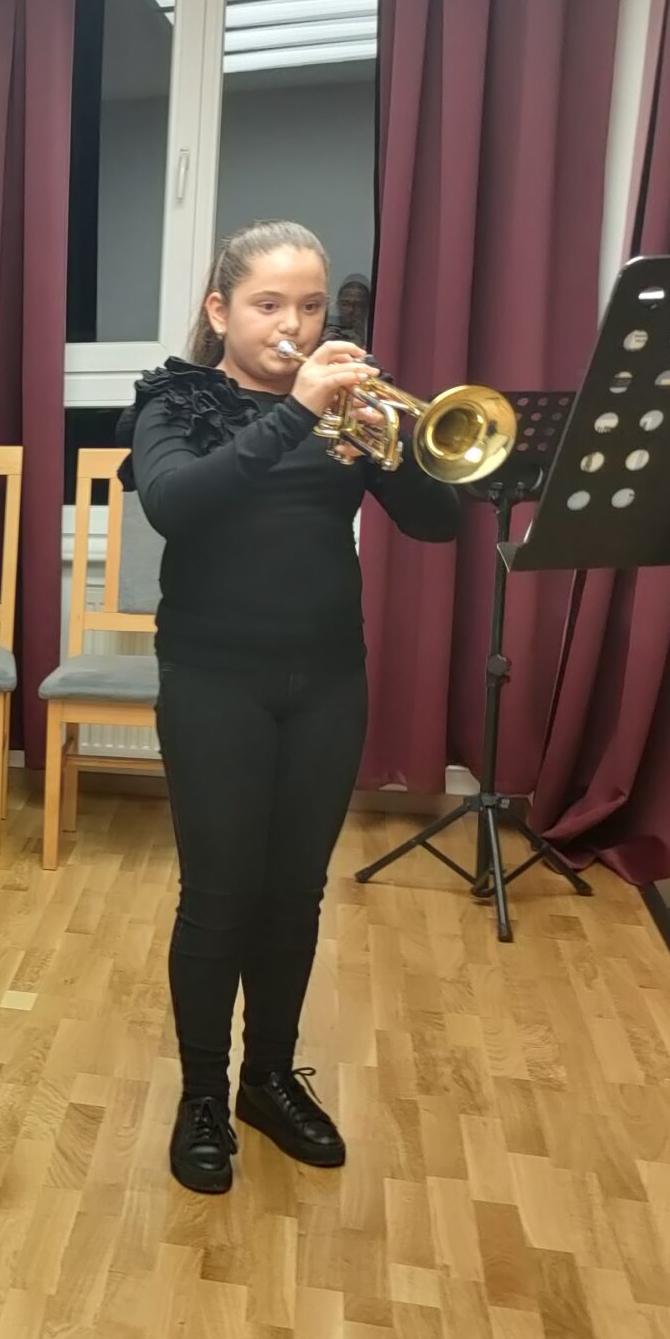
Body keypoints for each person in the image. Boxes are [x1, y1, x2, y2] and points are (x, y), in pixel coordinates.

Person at [117, 222, 459, 1193]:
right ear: (221, 310)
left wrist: (395, 445)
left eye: (310, 306)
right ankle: (200, 1096)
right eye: (268, 304)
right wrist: (295, 412)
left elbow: (435, 526)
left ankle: (267, 1080)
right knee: (218, 896)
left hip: (327, 680)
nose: (293, 324)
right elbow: (176, 504)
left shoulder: (347, 409)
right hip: (212, 679)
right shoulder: (176, 400)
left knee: (294, 895)